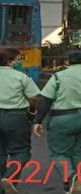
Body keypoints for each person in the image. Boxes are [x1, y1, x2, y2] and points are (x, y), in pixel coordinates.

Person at [33, 49, 81, 194]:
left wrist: (38, 120)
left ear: (68, 60)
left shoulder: (58, 77)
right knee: (80, 150)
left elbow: (46, 101)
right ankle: (78, 180)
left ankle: (70, 176)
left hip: (62, 118)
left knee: (58, 153)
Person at [0, 48, 40, 194]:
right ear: (9, 61)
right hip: (15, 117)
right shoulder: (21, 76)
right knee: (21, 152)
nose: (20, 62)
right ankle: (9, 178)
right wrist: (32, 112)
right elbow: (34, 97)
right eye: (17, 60)